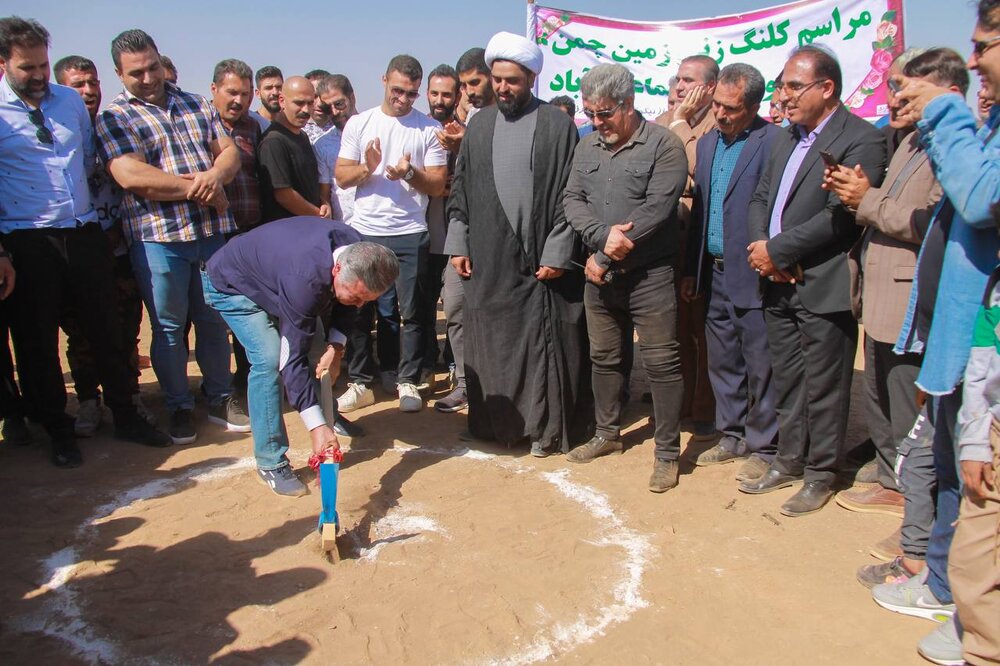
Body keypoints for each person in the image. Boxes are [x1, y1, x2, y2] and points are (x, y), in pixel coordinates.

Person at [873, 4, 1000, 659]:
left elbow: (980, 202)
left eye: (985, 45)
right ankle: (951, 591)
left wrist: (945, 110)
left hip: (986, 348)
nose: (974, 59)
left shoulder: (961, 125)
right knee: (957, 472)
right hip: (962, 338)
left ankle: (967, 615)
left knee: (973, 483)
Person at [823, 48, 966, 588]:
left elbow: (929, 221)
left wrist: (866, 199)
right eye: (893, 89)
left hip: (911, 295)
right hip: (881, 290)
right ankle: (890, 481)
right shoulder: (909, 141)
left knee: (911, 403)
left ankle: (916, 509)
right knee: (881, 393)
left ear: (945, 91)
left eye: (906, 90)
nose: (895, 99)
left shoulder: (955, 151)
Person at [0, 17, 169, 466]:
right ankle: (59, 428)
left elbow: (95, 166)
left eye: (42, 65)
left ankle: (126, 415)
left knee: (108, 330)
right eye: (26, 68)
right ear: (3, 64)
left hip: (85, 234)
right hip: (26, 240)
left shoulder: (70, 103)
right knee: (36, 341)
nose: (37, 76)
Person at [740, 45, 886, 517]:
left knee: (825, 385)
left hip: (823, 284)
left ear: (827, 88)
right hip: (776, 279)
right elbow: (761, 197)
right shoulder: (785, 138)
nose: (783, 96)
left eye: (793, 86)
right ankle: (788, 460)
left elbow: (842, 218)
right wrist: (763, 250)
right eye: (782, 85)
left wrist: (779, 251)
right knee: (788, 379)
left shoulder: (861, 139)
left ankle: (821, 474)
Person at [445, 31, 592, 454]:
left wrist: (558, 251)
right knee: (493, 341)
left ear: (531, 78)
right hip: (489, 260)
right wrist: (459, 242)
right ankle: (496, 425)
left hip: (541, 263)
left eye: (512, 80)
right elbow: (462, 190)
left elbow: (570, 193)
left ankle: (543, 432)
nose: (503, 88)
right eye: (497, 79)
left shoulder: (556, 124)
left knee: (542, 344)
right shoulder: (480, 124)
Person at [96, 28, 244, 445]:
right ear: (119, 75)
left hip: (211, 234)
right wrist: (202, 189)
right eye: (136, 73)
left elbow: (228, 150)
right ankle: (179, 405)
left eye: (153, 67)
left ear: (162, 61)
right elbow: (131, 175)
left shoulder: (195, 102)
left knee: (215, 320)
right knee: (167, 328)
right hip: (159, 239)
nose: (148, 78)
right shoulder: (116, 116)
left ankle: (217, 396)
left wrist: (216, 174)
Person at [203, 217, 399, 496]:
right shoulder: (304, 280)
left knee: (321, 349)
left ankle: (325, 413)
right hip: (233, 285)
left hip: (278, 278)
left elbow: (347, 305)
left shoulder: (359, 253)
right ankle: (271, 460)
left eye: (366, 300)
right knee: (270, 359)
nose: (360, 305)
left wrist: (336, 348)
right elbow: (290, 360)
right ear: (337, 269)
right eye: (356, 296)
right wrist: (316, 428)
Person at [563, 63, 687, 490]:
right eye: (590, 114)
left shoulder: (665, 146)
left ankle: (667, 453)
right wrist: (600, 242)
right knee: (605, 358)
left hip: (649, 276)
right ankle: (607, 434)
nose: (597, 123)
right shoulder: (586, 147)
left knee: (661, 363)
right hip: (599, 276)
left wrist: (609, 252)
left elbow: (656, 209)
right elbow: (572, 198)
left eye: (605, 114)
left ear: (629, 104)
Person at [680, 63, 782, 483]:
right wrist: (692, 269)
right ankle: (732, 434)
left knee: (761, 363)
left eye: (731, 109)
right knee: (723, 361)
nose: (721, 115)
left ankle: (765, 444)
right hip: (713, 272)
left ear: (754, 105)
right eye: (717, 106)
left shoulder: (774, 141)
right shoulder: (706, 145)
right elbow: (701, 209)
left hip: (755, 272)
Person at [336, 54, 447, 414]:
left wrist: (410, 173)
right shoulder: (360, 122)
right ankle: (360, 382)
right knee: (360, 312)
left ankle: (408, 380)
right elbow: (341, 176)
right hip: (366, 230)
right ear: (384, 80)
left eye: (411, 94)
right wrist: (366, 169)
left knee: (413, 311)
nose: (403, 99)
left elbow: (437, 185)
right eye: (397, 90)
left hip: (410, 231)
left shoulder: (428, 128)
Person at [52, 54, 156, 436]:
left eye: (92, 82)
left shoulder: (115, 126)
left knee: (126, 328)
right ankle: (88, 401)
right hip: (78, 252)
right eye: (77, 84)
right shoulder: (58, 137)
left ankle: (129, 397)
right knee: (80, 332)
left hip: (121, 253)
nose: (88, 91)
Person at [655, 54, 721, 439]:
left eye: (688, 80)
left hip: (700, 243)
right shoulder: (661, 123)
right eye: (677, 80)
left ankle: (705, 407)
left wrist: (681, 125)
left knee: (703, 330)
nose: (679, 88)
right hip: (666, 240)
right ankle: (675, 402)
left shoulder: (717, 124)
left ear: (709, 88)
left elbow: (702, 172)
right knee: (673, 328)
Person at [434, 47, 499, 414]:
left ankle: (494, 387)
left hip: (497, 238)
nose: (469, 91)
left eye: (474, 82)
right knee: (455, 307)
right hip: (462, 233)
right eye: (464, 85)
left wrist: (469, 143)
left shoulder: (507, 118)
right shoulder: (469, 120)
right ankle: (464, 385)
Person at [210, 58, 262, 420]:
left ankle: (245, 383)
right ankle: (216, 392)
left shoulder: (253, 128)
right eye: (231, 92)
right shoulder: (205, 126)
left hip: (250, 235)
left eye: (245, 93)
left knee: (251, 313)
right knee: (215, 318)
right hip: (216, 235)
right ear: (214, 90)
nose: (237, 100)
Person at [422, 64, 460, 398]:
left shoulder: (465, 133)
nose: (439, 99)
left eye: (446, 93)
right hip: (423, 233)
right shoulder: (418, 129)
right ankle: (425, 363)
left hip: (456, 238)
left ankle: (452, 363)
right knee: (422, 304)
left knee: (456, 306)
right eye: (434, 92)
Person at [258, 76, 329, 222]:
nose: (306, 110)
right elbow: (284, 194)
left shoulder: (302, 136)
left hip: (309, 226)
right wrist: (318, 215)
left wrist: (323, 203)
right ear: (282, 101)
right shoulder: (273, 141)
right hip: (288, 230)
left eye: (310, 103)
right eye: (299, 103)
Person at [313, 74, 358, 222]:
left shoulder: (376, 130)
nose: (334, 112)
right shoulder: (322, 144)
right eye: (327, 108)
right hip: (344, 226)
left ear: (352, 98)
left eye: (339, 104)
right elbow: (325, 194)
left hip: (380, 227)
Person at [303, 68, 334, 143]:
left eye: (324, 97)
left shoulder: (343, 129)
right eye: (315, 96)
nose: (320, 103)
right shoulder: (297, 130)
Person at [250, 65, 282, 132]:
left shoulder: (290, 125)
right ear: (258, 94)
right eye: (268, 88)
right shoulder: (250, 126)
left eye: (279, 87)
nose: (275, 92)